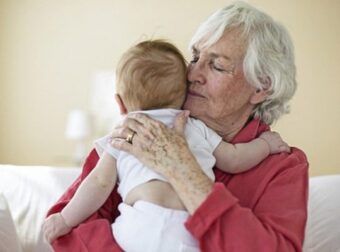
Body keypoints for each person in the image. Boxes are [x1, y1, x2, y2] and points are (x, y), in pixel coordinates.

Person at [45, 1, 309, 251]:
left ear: (262, 87)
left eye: (216, 65)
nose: (193, 75)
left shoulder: (283, 167)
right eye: (194, 58)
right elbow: (67, 229)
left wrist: (183, 171)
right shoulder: (139, 130)